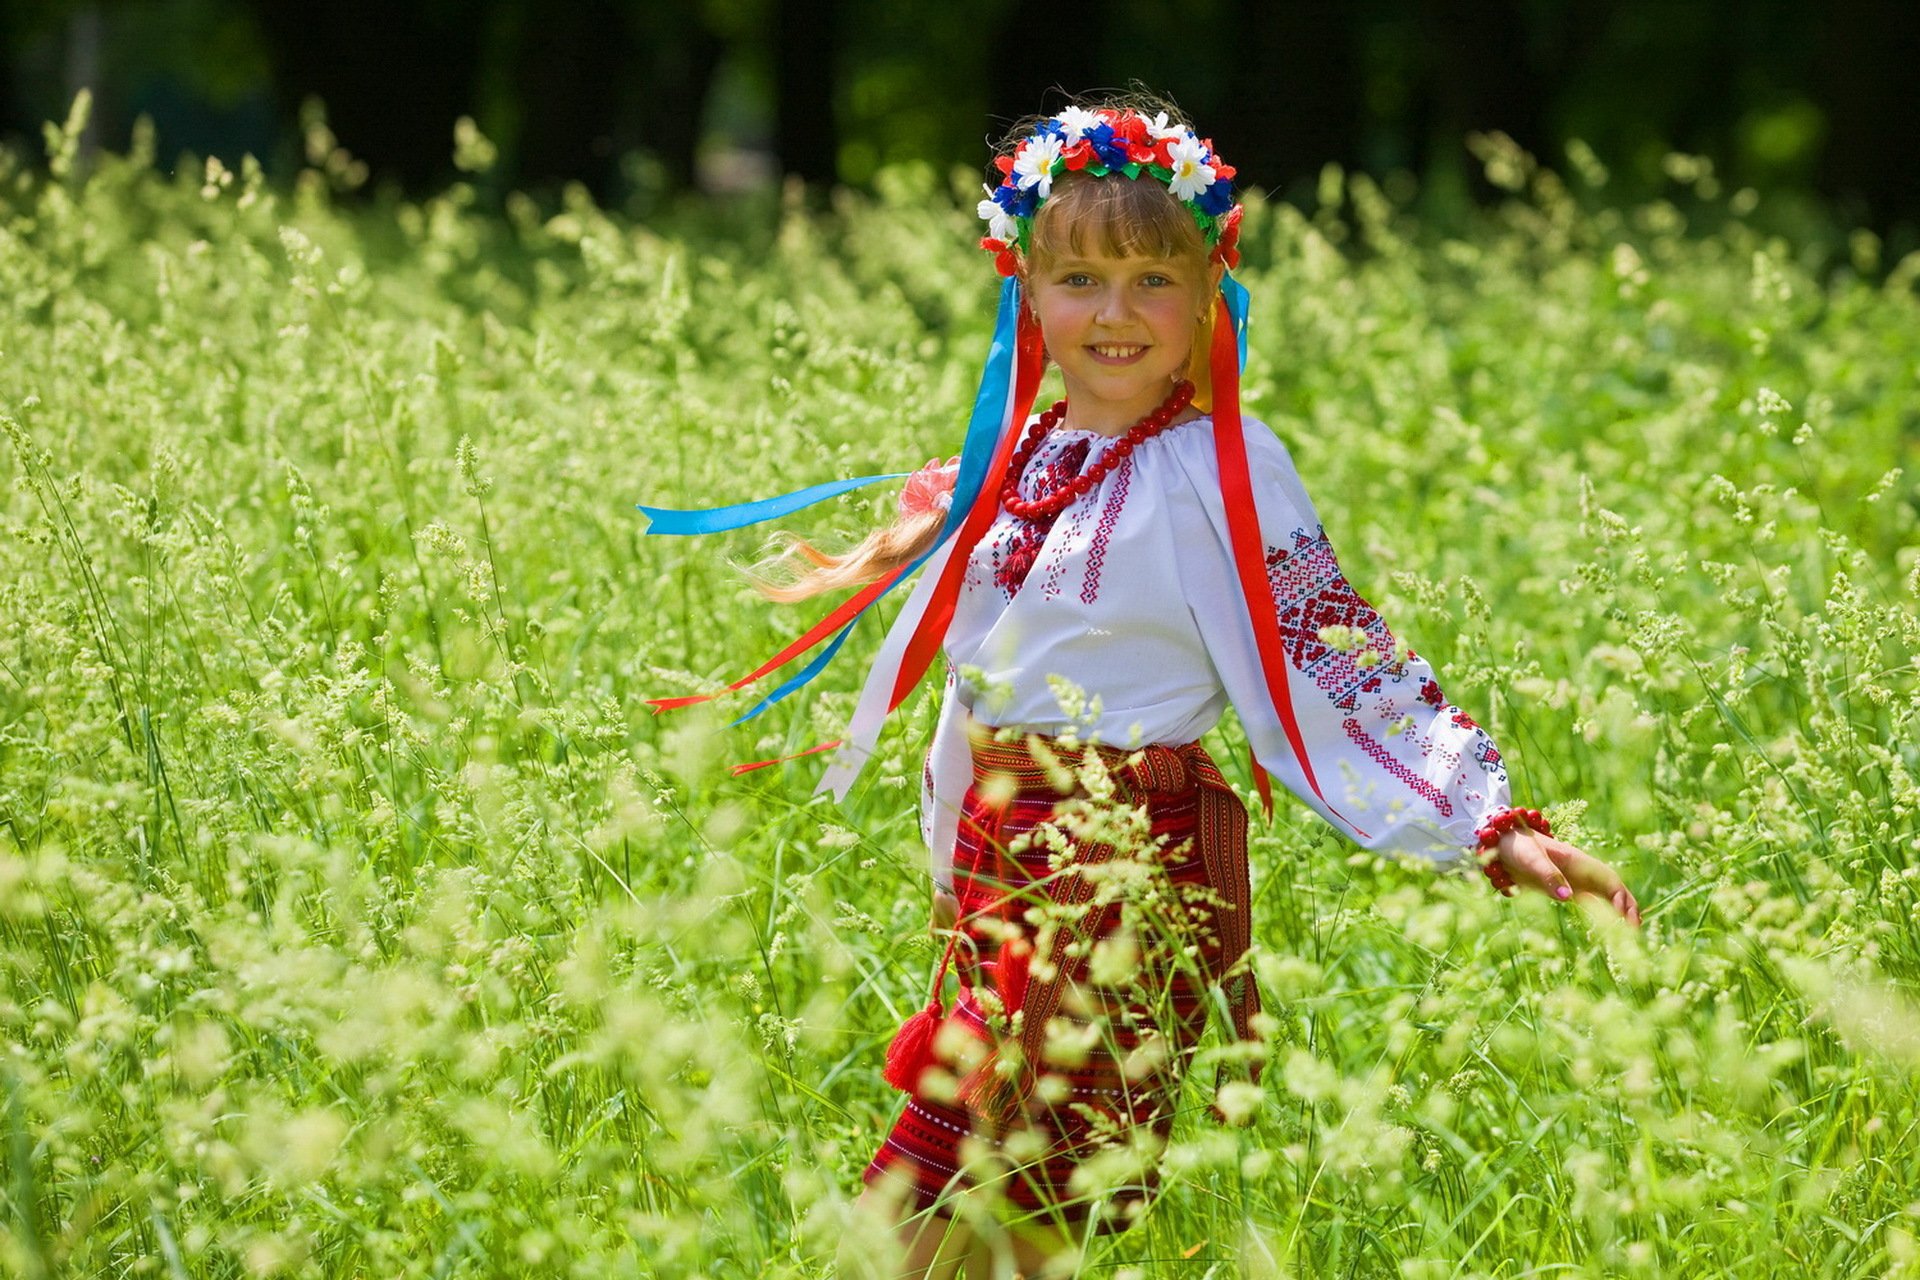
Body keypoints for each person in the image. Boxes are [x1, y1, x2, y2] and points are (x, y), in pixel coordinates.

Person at [638, 90, 1642, 1280]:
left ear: (1207, 288)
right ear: (1026, 292)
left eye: (1153, 281)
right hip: (999, 860)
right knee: (992, 1208)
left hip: (1123, 864)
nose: (1116, 313)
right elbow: (978, 606)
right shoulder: (1025, 447)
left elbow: (1340, 650)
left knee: (964, 1195)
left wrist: (1487, 822)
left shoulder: (1226, 465)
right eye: (1079, 282)